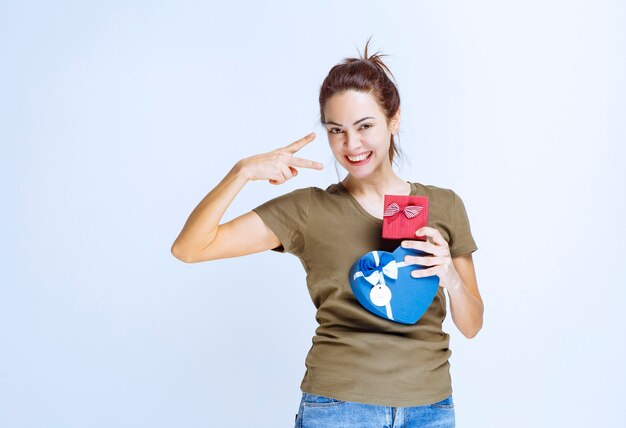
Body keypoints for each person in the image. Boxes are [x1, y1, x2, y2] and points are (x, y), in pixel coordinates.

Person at [171, 38, 483, 428]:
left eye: (364, 126)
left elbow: (471, 325)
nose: (351, 145)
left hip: (431, 408)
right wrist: (242, 173)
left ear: (394, 119)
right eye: (337, 130)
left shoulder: (445, 204)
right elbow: (189, 248)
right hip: (339, 409)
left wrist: (449, 278)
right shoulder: (308, 210)